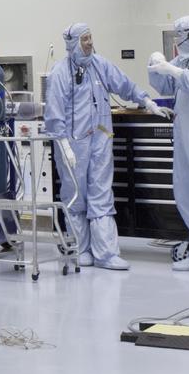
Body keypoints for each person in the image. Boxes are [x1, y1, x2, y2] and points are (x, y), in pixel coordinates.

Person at [44, 22, 171, 269]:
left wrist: (146, 101)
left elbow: (124, 84)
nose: (90, 42)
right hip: (72, 145)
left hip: (101, 140)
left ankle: (106, 253)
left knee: (101, 193)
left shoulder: (99, 65)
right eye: (85, 39)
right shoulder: (60, 73)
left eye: (91, 37)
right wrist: (64, 145)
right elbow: (54, 114)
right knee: (75, 195)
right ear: (73, 44)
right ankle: (81, 249)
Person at [148, 15, 189, 270]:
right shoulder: (185, 59)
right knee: (187, 191)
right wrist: (156, 66)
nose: (177, 39)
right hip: (186, 138)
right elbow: (166, 85)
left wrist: (175, 71)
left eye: (180, 34)